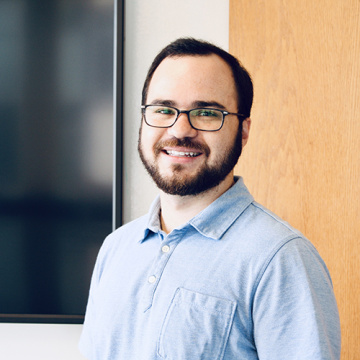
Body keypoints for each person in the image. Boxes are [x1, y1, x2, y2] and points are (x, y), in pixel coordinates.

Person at [79, 38, 341, 359]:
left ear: (243, 131)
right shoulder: (116, 249)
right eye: (163, 109)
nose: (181, 129)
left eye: (205, 112)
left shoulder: (280, 260)